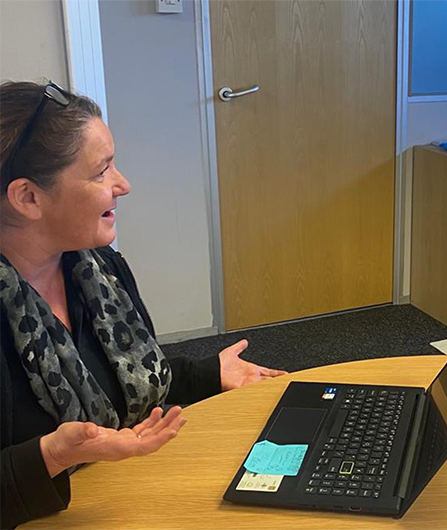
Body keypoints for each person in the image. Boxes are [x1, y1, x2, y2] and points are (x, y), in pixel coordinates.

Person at [0, 80, 288, 528]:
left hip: (122, 500)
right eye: (101, 172)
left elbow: (118, 382)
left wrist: (207, 374)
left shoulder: (98, 271)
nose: (123, 184)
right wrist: (50, 456)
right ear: (28, 198)